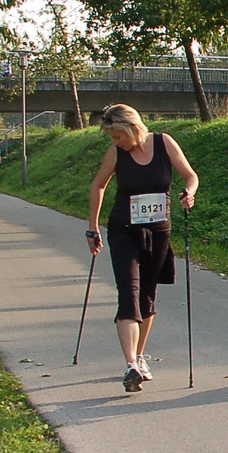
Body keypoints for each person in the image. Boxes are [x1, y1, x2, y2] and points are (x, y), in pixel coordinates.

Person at [86, 104, 200, 392]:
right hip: (124, 231)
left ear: (131, 129)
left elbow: (190, 175)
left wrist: (190, 193)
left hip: (158, 231)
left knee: (148, 295)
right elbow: (98, 185)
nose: (115, 142)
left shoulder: (164, 143)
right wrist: (93, 226)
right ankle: (131, 366)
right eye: (112, 138)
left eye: (117, 137)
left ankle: (139, 355)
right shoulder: (116, 154)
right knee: (129, 293)